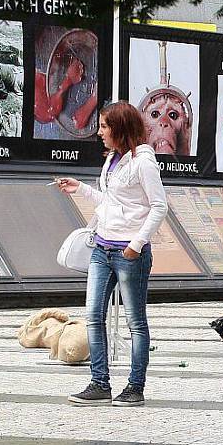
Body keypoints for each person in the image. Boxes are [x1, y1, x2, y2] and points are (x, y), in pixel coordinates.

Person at [57, 101, 168, 406]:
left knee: (136, 321)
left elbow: (159, 206)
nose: (99, 132)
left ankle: (135, 386)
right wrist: (80, 188)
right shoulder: (112, 160)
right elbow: (110, 201)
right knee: (94, 315)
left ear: (120, 128)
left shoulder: (143, 161)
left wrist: (137, 244)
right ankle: (99, 382)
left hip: (129, 252)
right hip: (102, 247)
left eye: (105, 126)